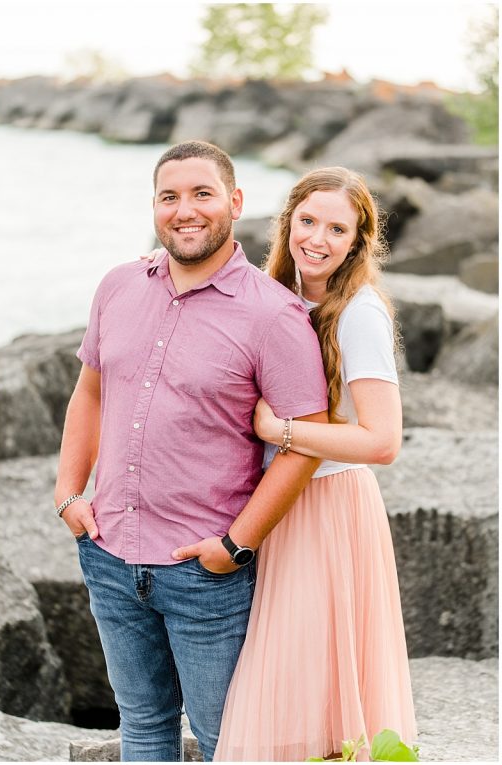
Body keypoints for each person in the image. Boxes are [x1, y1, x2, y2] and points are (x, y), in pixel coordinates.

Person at [54, 140, 329, 761]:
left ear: (234, 202)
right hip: (109, 555)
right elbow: (89, 392)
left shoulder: (274, 315)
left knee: (226, 741)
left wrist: (236, 547)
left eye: (202, 193)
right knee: (143, 726)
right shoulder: (118, 286)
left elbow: (304, 442)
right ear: (154, 206)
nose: (186, 210)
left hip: (205, 573)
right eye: (169, 196)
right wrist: (69, 493)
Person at [212, 167, 417, 760]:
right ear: (287, 223)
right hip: (277, 501)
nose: (317, 240)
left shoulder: (360, 312)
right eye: (307, 222)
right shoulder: (279, 295)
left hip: (330, 508)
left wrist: (284, 431)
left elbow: (384, 441)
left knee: (312, 683)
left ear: (357, 241)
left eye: (336, 229)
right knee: (297, 680)